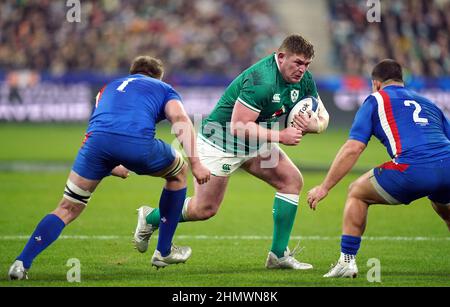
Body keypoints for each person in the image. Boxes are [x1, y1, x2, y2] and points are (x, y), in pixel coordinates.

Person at [134, 34, 330, 269]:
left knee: (291, 181)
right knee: (204, 209)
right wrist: (281, 136)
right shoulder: (262, 80)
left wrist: (314, 126)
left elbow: (322, 116)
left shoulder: (304, 79)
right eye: (298, 63)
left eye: (306, 64)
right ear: (280, 57)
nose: (302, 69)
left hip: (256, 142)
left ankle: (278, 255)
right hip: (221, 142)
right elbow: (238, 126)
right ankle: (150, 217)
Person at [8, 56, 211, 280]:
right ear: (157, 76)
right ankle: (163, 251)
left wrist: (110, 163)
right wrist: (196, 163)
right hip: (136, 143)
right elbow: (180, 118)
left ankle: (21, 263)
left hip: (95, 145)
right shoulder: (164, 88)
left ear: (132, 72)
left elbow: (100, 123)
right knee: (178, 172)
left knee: (66, 207)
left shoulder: (108, 88)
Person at [307, 59, 450, 278]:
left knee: (357, 192)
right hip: (447, 166)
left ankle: (347, 261)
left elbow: (353, 148)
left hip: (413, 170)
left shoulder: (375, 100)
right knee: (443, 207)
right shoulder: (429, 103)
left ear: (376, 83)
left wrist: (324, 187)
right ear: (402, 81)